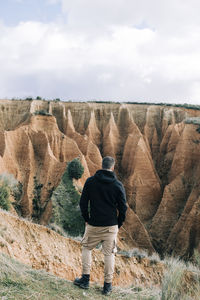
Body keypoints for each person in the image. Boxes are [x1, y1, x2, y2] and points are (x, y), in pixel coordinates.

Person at [73, 156, 127, 295]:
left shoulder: (91, 182)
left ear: (101, 166)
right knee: (109, 255)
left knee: (86, 248)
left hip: (94, 224)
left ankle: (85, 280)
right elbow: (123, 208)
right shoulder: (118, 185)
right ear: (112, 167)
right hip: (111, 226)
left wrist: (87, 218)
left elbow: (83, 203)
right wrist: (118, 223)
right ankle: (107, 286)